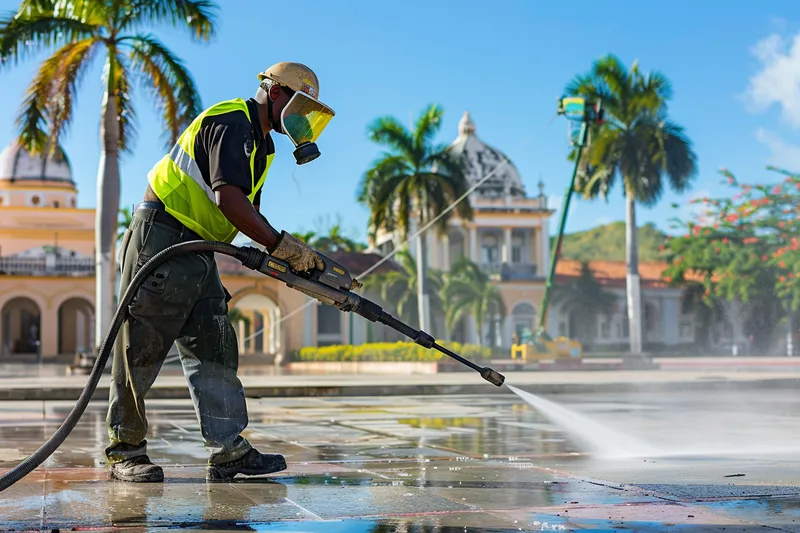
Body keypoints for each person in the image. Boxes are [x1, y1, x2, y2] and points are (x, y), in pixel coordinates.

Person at [106, 62, 335, 483]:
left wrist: (288, 254)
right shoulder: (233, 122)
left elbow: (248, 213)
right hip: (163, 234)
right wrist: (278, 244)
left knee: (215, 343)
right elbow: (230, 200)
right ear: (277, 94)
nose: (303, 122)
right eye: (302, 109)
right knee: (142, 344)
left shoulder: (261, 146)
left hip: (197, 249)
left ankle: (228, 449)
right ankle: (126, 449)